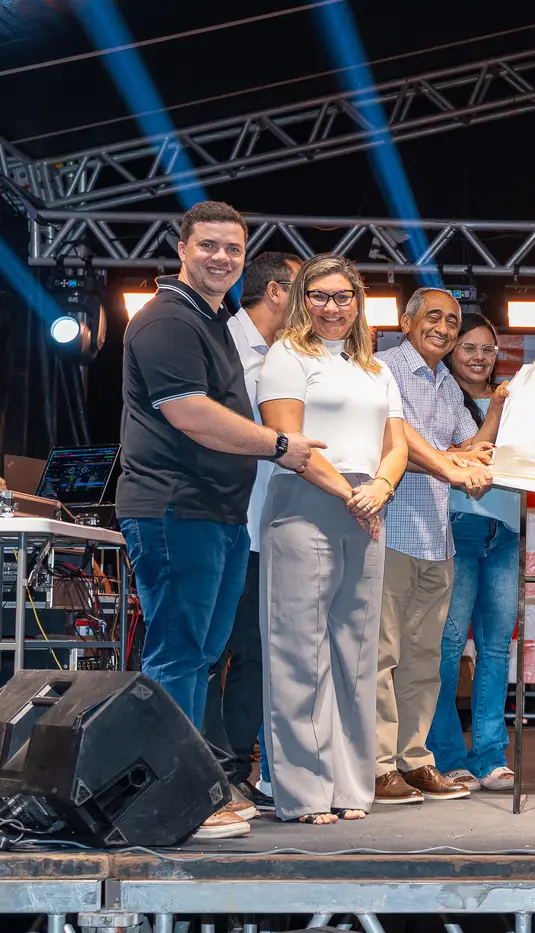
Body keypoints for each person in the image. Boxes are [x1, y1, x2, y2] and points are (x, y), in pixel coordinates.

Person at [117, 201, 320, 839]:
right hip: (176, 509)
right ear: (182, 248)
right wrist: (280, 445)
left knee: (202, 654)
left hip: (219, 515)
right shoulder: (167, 319)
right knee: (179, 654)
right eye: (208, 245)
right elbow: (192, 415)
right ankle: (170, 800)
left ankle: (194, 788)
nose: (221, 258)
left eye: (233, 248)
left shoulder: (211, 319)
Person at [257, 254, 407, 824]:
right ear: (301, 299)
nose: (331, 307)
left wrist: (381, 488)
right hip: (307, 501)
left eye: (343, 296)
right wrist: (349, 493)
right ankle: (303, 793)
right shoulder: (287, 355)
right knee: (299, 653)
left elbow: (396, 443)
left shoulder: (376, 368)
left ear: (358, 301)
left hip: (366, 505)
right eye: (318, 295)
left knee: (357, 653)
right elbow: (288, 439)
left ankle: (350, 788)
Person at [373, 288, 495, 805]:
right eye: (434, 317)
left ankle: (414, 759)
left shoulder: (447, 382)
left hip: (436, 538)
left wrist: (496, 418)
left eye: (451, 321)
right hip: (390, 532)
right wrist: (451, 464)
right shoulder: (382, 368)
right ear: (406, 322)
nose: (444, 328)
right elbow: (400, 438)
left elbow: (470, 447)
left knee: (424, 660)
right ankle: (377, 766)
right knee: (382, 657)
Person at [205, 250, 301, 814]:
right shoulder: (221, 342)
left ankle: (236, 770)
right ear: (277, 292)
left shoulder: (287, 357)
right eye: (305, 291)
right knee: (206, 654)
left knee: (256, 654)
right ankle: (200, 775)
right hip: (217, 519)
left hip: (267, 528)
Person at [425, 310, 523, 793]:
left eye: (488, 348)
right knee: (446, 648)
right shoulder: (440, 397)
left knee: (496, 648)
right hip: (456, 528)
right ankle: (445, 755)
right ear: (451, 351)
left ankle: (490, 756)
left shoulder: (518, 400)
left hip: (505, 531)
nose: (480, 357)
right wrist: (499, 410)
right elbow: (461, 456)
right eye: (469, 347)